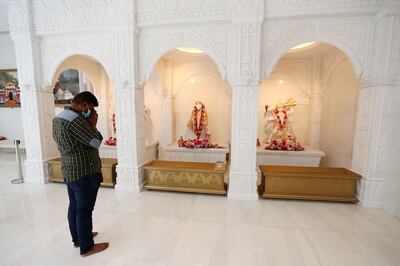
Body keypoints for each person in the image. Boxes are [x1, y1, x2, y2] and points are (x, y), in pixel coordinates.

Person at [52, 91, 109, 257]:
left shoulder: (59, 117)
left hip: (69, 170)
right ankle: (87, 247)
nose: (91, 112)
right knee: (84, 210)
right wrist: (92, 124)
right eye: (90, 108)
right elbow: (96, 141)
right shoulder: (76, 121)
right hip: (84, 171)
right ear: (84, 105)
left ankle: (78, 238)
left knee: (75, 206)